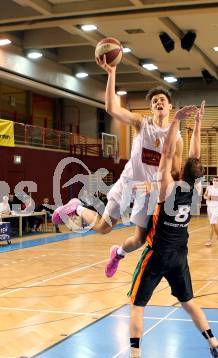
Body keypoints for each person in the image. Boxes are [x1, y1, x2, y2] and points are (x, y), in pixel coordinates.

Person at [114, 101, 218, 358]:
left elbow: (166, 152)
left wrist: (176, 121)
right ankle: (215, 346)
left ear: (181, 170)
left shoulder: (166, 188)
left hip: (157, 254)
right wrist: (198, 124)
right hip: (179, 256)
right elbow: (194, 157)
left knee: (137, 305)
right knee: (189, 302)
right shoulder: (193, 188)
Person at [52, 57, 183, 272]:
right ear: (151, 108)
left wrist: (157, 186)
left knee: (140, 240)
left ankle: (118, 253)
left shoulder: (176, 136)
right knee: (104, 228)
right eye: (154, 101)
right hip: (129, 183)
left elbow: (176, 172)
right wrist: (112, 73)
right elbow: (112, 108)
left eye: (162, 99)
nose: (159, 102)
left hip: (150, 192)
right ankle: (76, 207)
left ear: (170, 106)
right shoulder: (142, 123)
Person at [203, 177, 218, 246]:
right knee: (213, 223)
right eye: (214, 180)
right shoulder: (208, 188)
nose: (215, 181)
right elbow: (204, 196)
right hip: (209, 208)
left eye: (216, 180)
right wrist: (208, 198)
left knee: (212, 224)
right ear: (212, 181)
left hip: (216, 208)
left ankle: (209, 240)